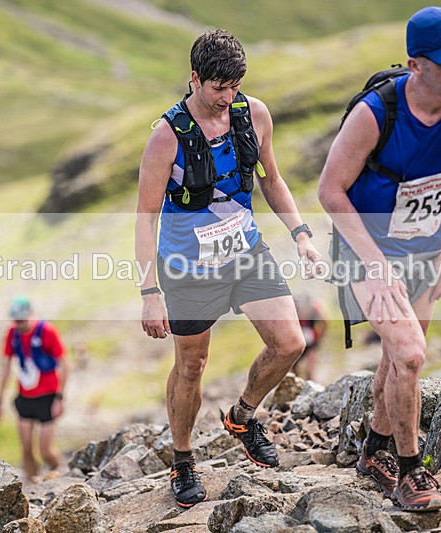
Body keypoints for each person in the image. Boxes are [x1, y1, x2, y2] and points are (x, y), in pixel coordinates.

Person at [318, 6, 441, 512]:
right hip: (365, 249)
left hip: (427, 250)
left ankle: (375, 450)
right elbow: (330, 190)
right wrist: (376, 265)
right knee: (412, 353)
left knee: (399, 360)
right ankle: (410, 471)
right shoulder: (375, 113)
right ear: (416, 65)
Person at [135, 29, 323, 508]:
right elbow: (145, 218)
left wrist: (301, 233)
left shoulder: (253, 114)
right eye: (219, 87)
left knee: (290, 343)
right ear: (195, 78)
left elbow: (272, 179)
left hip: (245, 252)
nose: (227, 97)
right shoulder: (166, 137)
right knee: (192, 366)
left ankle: (241, 417)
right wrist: (149, 292)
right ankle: (182, 460)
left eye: (235, 86)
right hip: (188, 267)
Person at [0, 296, 68, 483]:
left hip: (48, 396)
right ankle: (32, 483)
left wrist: (59, 398)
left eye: (22, 320)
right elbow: (6, 367)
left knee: (45, 450)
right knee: (26, 448)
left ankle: (59, 474)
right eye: (16, 320)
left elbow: (64, 365)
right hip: (25, 397)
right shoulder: (12, 334)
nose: (19, 324)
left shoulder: (47, 331)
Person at [292, 293, 327, 381]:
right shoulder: (293, 309)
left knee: (309, 370)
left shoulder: (315, 308)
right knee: (294, 369)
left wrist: (320, 337)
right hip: (298, 342)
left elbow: (325, 322)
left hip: (312, 342)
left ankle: (310, 385)